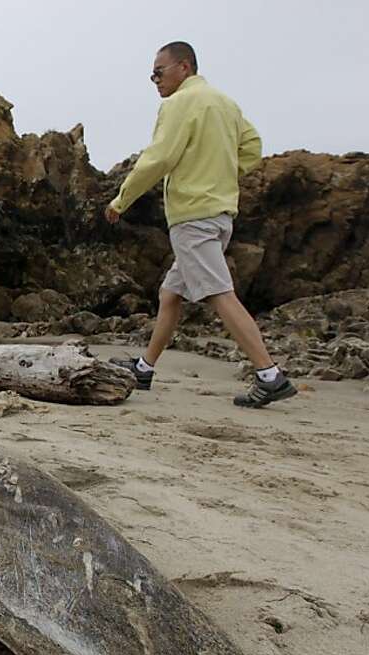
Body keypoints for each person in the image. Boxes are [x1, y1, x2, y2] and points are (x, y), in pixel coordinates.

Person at [105, 42, 296, 408]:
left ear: (184, 67)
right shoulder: (226, 103)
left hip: (193, 216)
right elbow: (252, 147)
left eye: (158, 72)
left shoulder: (178, 104)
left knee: (218, 293)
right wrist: (223, 172)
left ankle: (269, 375)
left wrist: (121, 200)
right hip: (220, 214)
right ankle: (144, 368)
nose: (154, 80)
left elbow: (158, 158)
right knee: (171, 293)